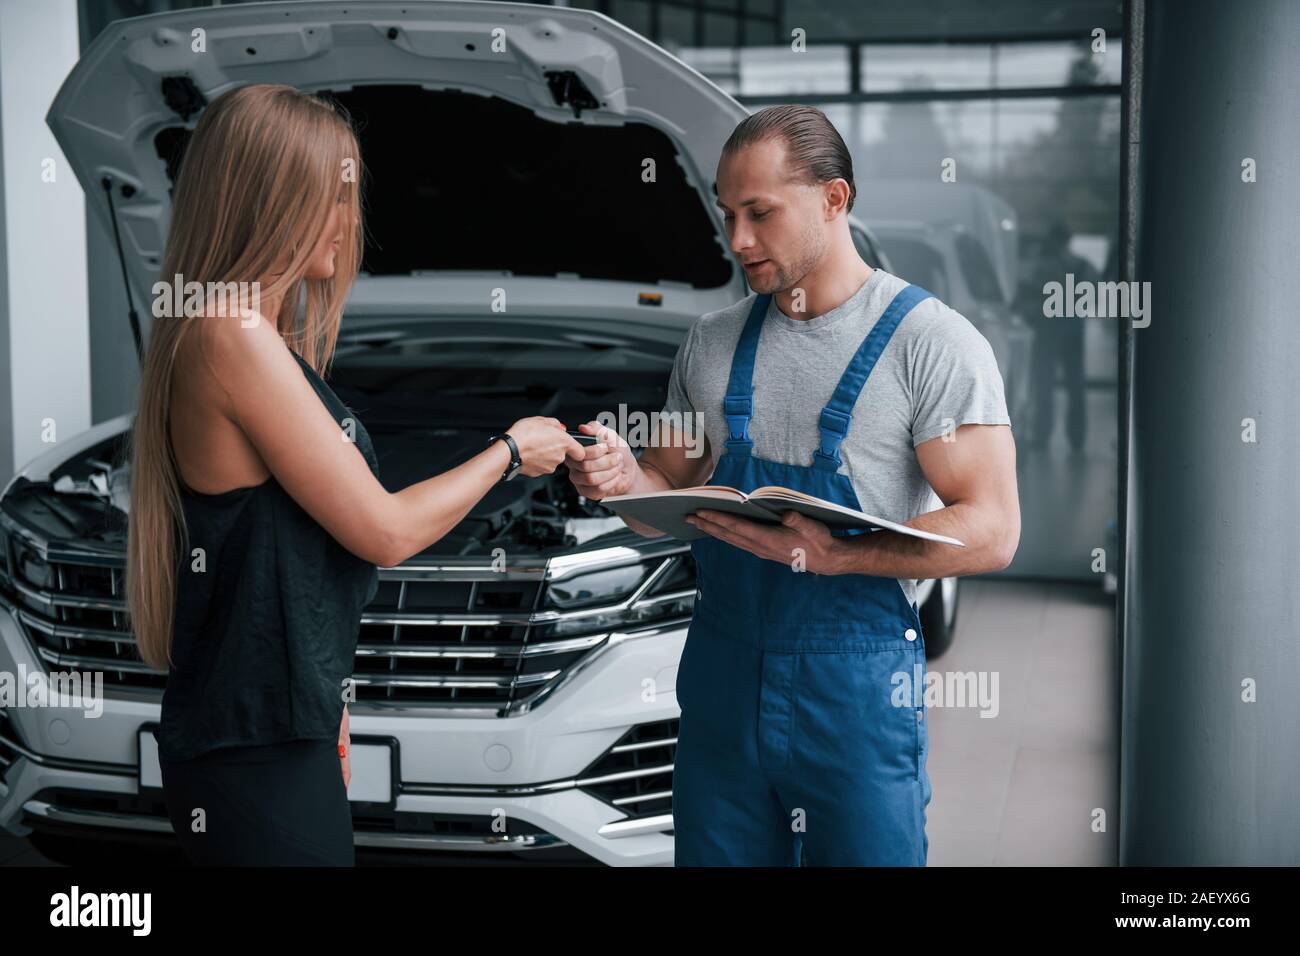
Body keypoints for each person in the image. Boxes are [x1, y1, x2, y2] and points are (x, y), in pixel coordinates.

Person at [126, 84, 583, 865]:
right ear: (273, 200)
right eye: (333, 193)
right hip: (253, 746)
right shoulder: (232, 335)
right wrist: (509, 453)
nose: (350, 219)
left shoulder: (248, 335)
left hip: (273, 727)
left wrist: (324, 699)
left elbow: (288, 557)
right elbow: (385, 531)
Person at [565, 105, 1020, 866]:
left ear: (834, 200)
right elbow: (661, 496)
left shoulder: (931, 345)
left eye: (760, 213)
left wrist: (841, 555)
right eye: (727, 213)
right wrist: (617, 479)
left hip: (853, 700)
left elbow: (994, 531)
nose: (737, 240)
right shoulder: (710, 344)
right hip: (720, 691)